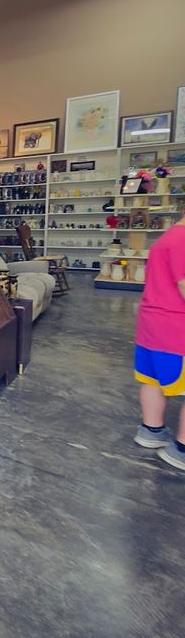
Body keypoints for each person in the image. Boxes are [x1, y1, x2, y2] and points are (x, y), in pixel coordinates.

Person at [133, 199, 185, 469]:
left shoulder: (166, 239)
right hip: (177, 329)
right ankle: (182, 450)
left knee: (151, 380)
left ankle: (151, 431)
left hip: (151, 325)